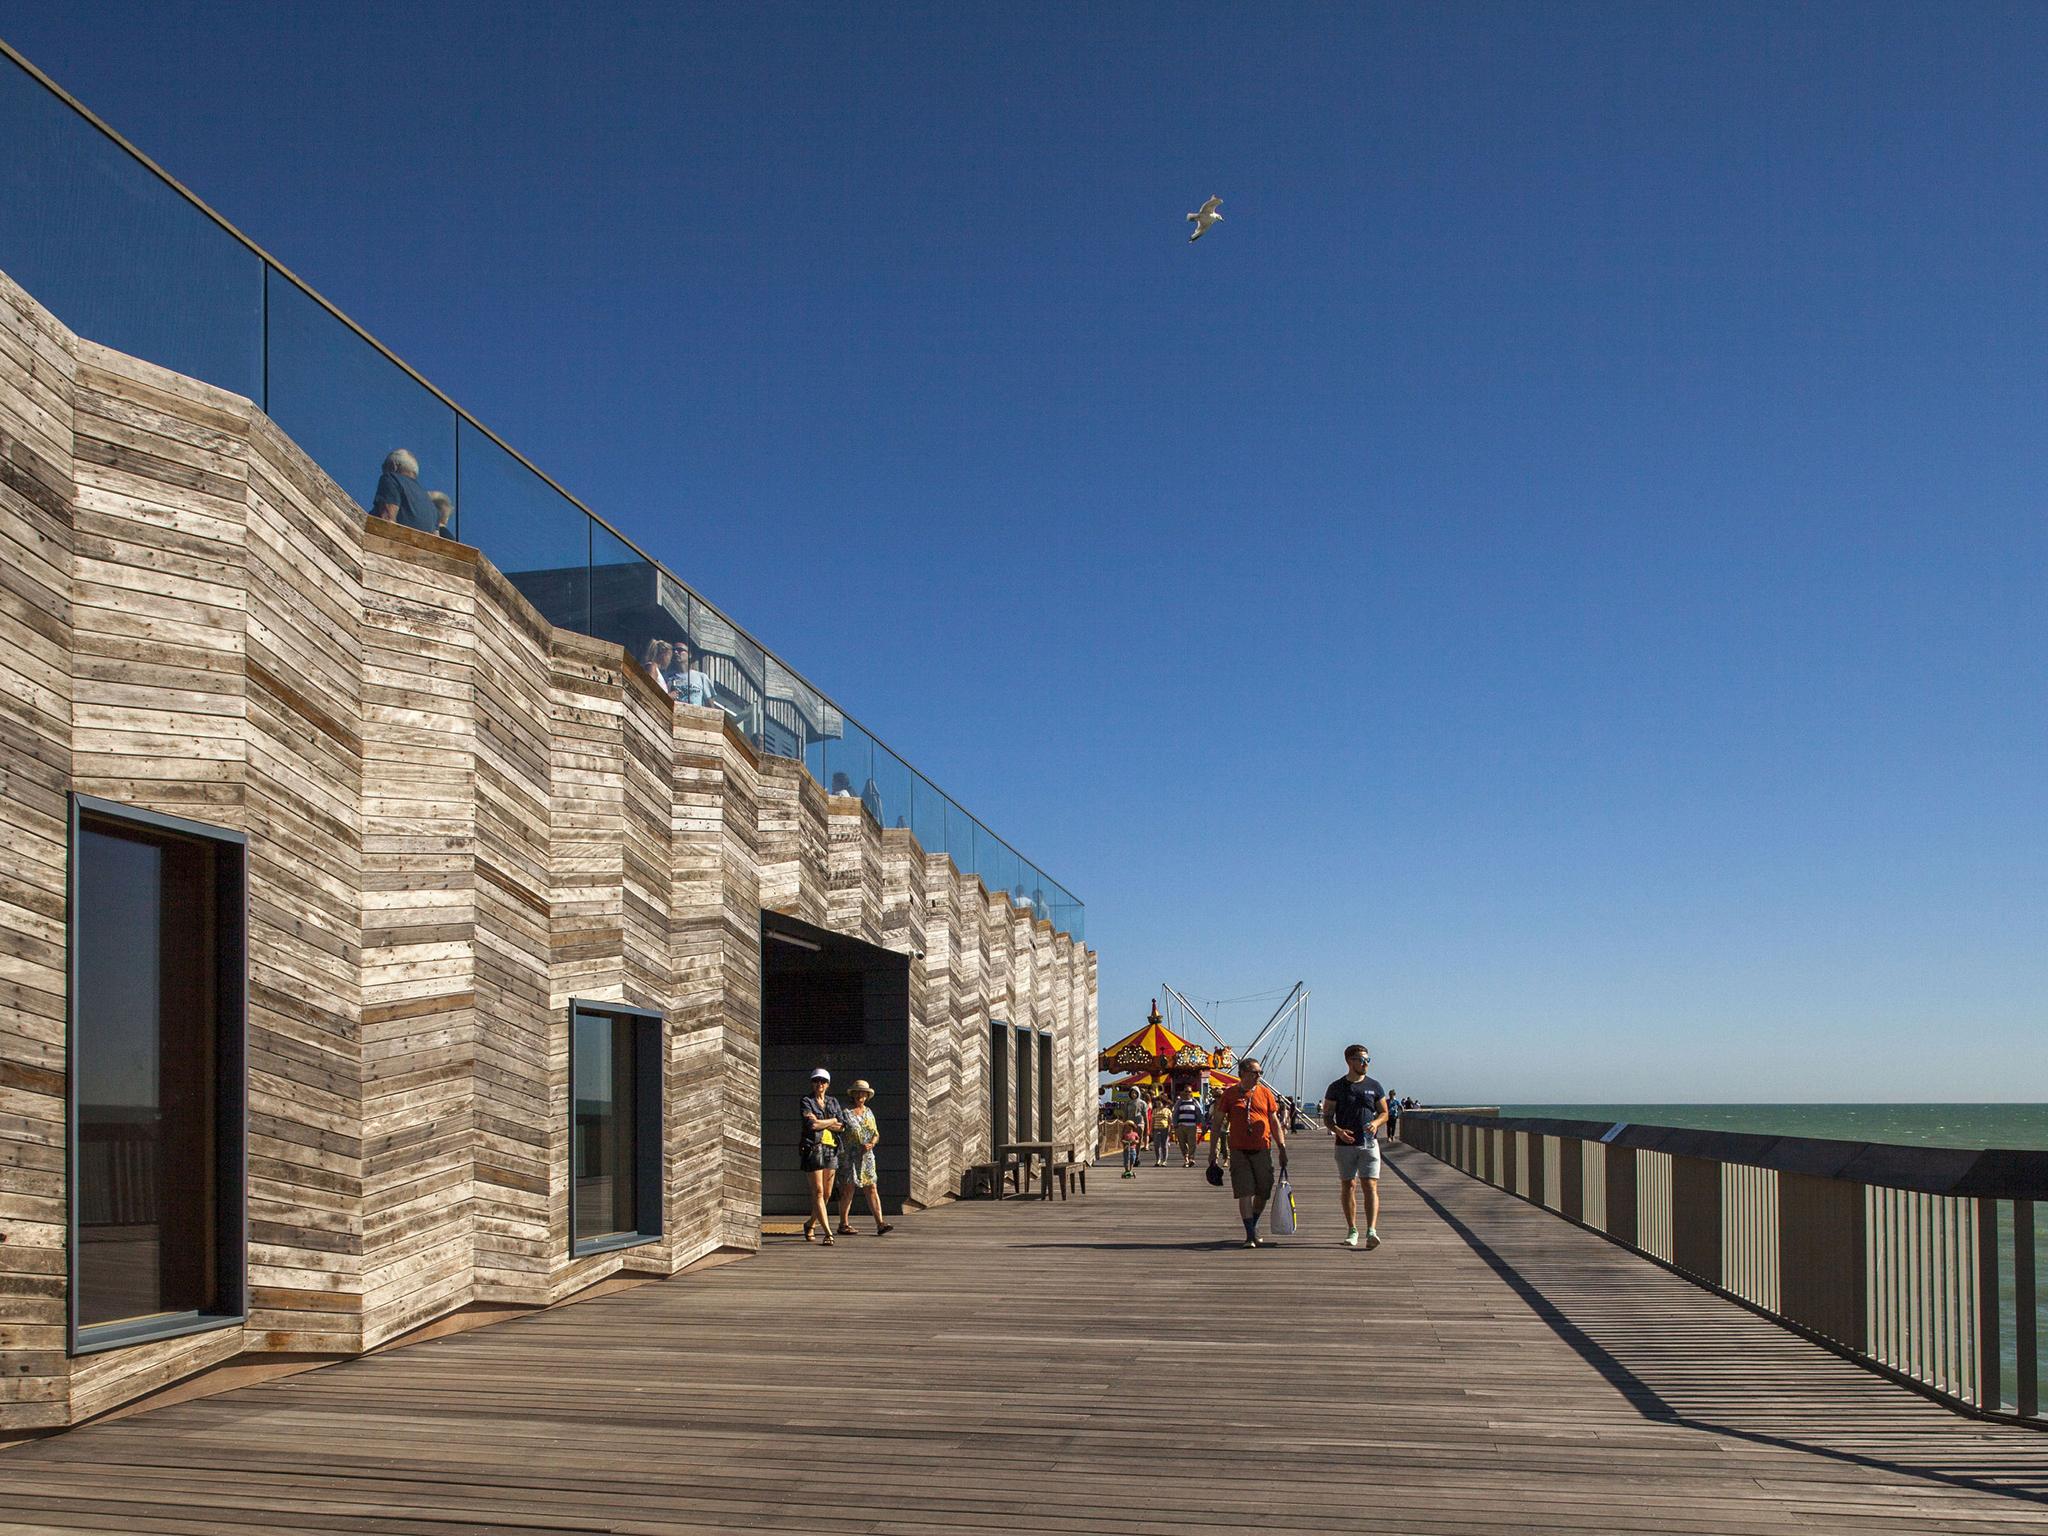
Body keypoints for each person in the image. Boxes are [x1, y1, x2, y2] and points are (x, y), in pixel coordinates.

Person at [1208, 1057, 1287, 1247]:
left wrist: (1282, 1147)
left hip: (1262, 1149)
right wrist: (1213, 1152)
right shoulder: (1230, 1094)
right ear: (1243, 1073)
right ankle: (1250, 1234)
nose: (1258, 1075)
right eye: (1255, 1072)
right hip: (1239, 1150)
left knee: (1264, 1190)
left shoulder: (1266, 1093)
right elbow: (1217, 1123)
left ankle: (1254, 1224)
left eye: (1260, 1072)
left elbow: (1274, 1122)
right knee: (1244, 1191)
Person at [1323, 1044, 1389, 1250]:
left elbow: (1384, 1112)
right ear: (1350, 1061)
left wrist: (1376, 1123)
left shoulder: (1375, 1086)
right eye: (1362, 1060)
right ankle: (1352, 1229)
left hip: (1369, 1143)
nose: (1366, 1063)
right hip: (1344, 1144)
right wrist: (1338, 1130)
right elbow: (1327, 1116)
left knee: (1370, 1185)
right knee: (1348, 1185)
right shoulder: (1336, 1087)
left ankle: (1371, 1230)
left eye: (1368, 1060)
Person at [831, 1080, 893, 1236]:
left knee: (871, 1187)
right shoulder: (845, 1112)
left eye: (863, 1093)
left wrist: (872, 1143)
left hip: (867, 1157)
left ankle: (880, 1223)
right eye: (858, 1092)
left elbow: (876, 1134)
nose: (860, 1096)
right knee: (848, 1188)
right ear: (852, 1094)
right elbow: (838, 1128)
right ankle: (843, 1224)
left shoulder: (869, 1112)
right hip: (849, 1156)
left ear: (867, 1096)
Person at [799, 1068, 844, 1244]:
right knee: (817, 1191)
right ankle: (828, 1233)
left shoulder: (833, 1101)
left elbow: (842, 1126)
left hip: (831, 1148)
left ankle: (810, 1224)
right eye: (816, 1081)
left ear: (828, 1084)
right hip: (813, 1148)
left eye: (823, 1081)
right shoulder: (806, 1101)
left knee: (826, 1194)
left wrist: (827, 1123)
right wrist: (832, 1121)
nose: (820, 1084)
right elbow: (812, 1125)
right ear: (812, 1083)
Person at [369, 449, 440, 532]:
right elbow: (436, 538)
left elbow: (387, 519)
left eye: (384, 467)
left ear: (393, 466)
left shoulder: (391, 479)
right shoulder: (431, 505)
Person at [667, 641, 719, 709]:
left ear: (689, 654)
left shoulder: (701, 677)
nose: (676, 652)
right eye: (674, 650)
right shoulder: (668, 678)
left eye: (680, 650)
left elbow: (710, 704)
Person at [1172, 1087, 1203, 1166]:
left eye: (1189, 1092)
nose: (1187, 1093)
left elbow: (1200, 1113)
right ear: (1183, 1092)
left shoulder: (1194, 1102)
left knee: (1192, 1143)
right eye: (1186, 1091)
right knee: (1182, 1143)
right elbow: (1174, 1114)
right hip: (1181, 1126)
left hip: (1192, 1126)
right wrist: (1175, 1125)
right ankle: (1185, 1158)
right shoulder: (1179, 1102)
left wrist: (1201, 1123)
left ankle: (1191, 1158)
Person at [1150, 1094, 1172, 1166]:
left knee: (1164, 1145)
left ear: (1163, 1102)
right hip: (1156, 1129)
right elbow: (1152, 1121)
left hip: (1165, 1129)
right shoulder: (1154, 1110)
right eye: (1157, 1102)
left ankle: (1164, 1161)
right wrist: (1151, 1130)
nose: (1158, 1103)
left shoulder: (1167, 1111)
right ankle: (1158, 1160)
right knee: (1156, 1145)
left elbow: (1170, 1122)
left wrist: (1170, 1130)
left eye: (1160, 1102)